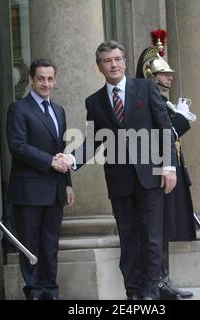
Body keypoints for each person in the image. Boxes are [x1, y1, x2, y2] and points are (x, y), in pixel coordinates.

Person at [58, 40, 178, 300]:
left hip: (151, 176)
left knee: (151, 238)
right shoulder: (95, 102)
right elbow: (93, 141)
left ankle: (149, 292)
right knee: (128, 238)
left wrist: (169, 167)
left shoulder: (146, 88)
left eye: (117, 59)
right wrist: (72, 159)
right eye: (107, 61)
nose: (113, 64)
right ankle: (133, 292)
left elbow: (164, 127)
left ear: (124, 61)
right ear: (99, 67)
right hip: (119, 180)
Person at [6, 58, 74, 300]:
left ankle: (50, 290)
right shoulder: (19, 108)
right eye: (41, 79)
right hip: (29, 188)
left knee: (50, 244)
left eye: (50, 79)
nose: (46, 83)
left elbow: (62, 150)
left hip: (55, 189)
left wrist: (67, 183)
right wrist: (49, 162)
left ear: (55, 80)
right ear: (31, 80)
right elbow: (18, 146)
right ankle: (34, 290)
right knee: (30, 243)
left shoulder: (58, 111)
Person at [135, 30, 196, 300]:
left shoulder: (164, 101)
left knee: (167, 229)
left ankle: (165, 279)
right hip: (157, 172)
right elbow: (163, 135)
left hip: (172, 170)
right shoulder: (148, 100)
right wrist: (181, 121)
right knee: (156, 231)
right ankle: (157, 282)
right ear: (150, 74)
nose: (170, 77)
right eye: (164, 73)